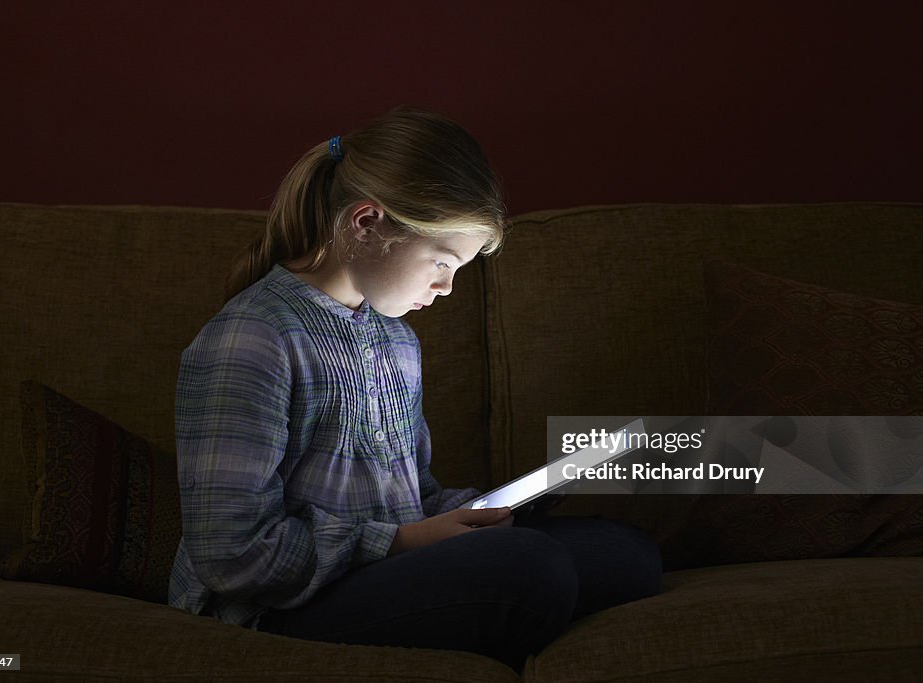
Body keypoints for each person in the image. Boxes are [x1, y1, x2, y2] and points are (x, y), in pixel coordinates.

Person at [168, 108, 662, 671]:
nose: (447, 287)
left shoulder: (398, 342)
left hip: (382, 568)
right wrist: (403, 543)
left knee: (628, 557)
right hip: (275, 605)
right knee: (531, 569)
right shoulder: (253, 339)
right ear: (367, 223)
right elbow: (232, 555)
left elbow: (411, 500)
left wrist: (508, 502)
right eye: (442, 262)